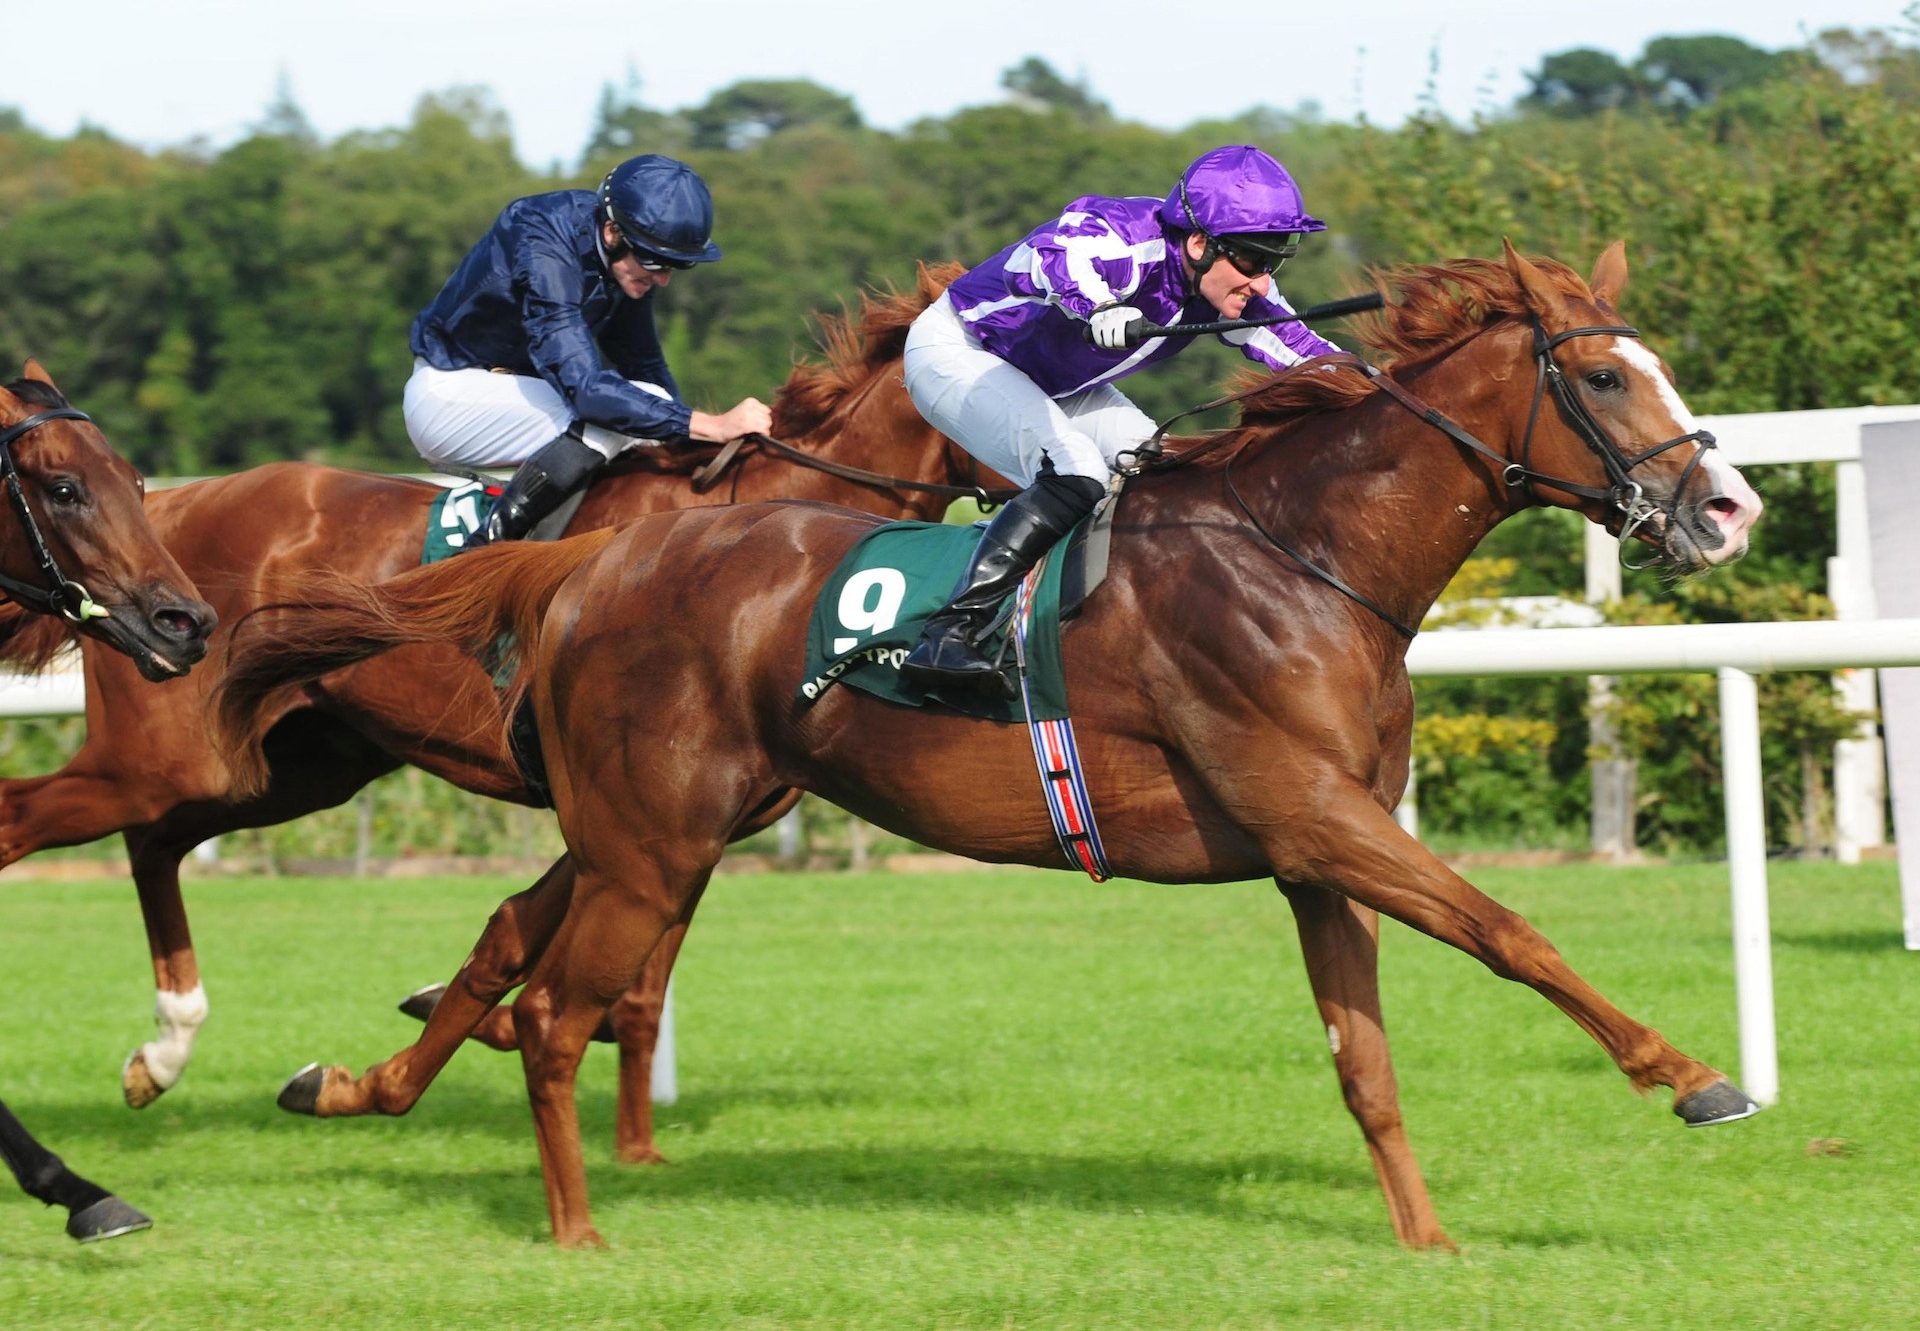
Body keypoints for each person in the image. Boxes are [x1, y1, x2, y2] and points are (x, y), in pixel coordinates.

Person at [898, 145, 1342, 692]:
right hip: (960, 352)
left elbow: (1302, 350)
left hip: (1061, 385)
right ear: (1199, 243)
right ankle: (949, 634)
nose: (1261, 281)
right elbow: (1053, 256)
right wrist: (1100, 306)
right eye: (1252, 260)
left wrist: (1387, 386)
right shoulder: (1121, 236)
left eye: (1272, 262)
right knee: (1077, 469)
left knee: (1163, 471)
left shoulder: (1225, 282)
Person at [405, 154, 771, 544]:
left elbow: (644, 363)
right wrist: (712, 425)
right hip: (450, 397)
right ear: (612, 232)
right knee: (624, 411)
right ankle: (483, 555)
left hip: (518, 401)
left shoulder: (624, 260)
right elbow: (586, 391)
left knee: (651, 404)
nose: (662, 279)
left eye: (676, 267)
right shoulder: (543, 241)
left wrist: (693, 444)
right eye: (656, 262)